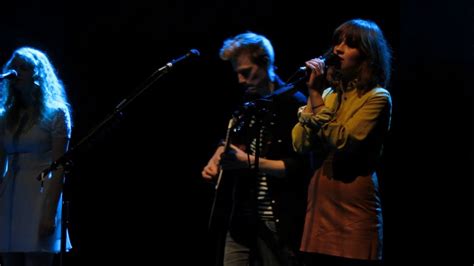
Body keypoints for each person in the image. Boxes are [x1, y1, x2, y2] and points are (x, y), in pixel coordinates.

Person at [202, 32, 308, 266]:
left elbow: (299, 167)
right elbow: (233, 140)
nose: (240, 80)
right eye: (237, 73)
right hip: (242, 216)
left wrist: (246, 161)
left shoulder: (295, 104)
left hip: (276, 220)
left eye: (246, 72)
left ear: (266, 63)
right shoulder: (248, 103)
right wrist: (217, 155)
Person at [292, 19, 392, 266]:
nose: (338, 49)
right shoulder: (329, 94)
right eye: (337, 42)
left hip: (353, 200)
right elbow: (299, 142)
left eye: (350, 44)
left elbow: (344, 141)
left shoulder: (377, 98)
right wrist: (318, 99)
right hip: (321, 197)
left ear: (367, 55)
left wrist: (314, 98)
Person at [0, 47, 72, 266]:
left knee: (36, 259)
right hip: (9, 193)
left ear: (38, 74)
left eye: (24, 68)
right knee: (9, 259)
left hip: (41, 194)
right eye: (13, 67)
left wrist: (49, 214)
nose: (16, 73)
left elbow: (60, 166)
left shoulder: (56, 113)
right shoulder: (5, 116)